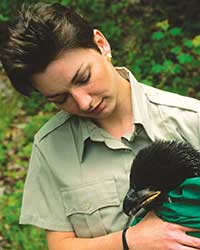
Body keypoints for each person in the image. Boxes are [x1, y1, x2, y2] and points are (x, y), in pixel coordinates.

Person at [1, 2, 200, 250]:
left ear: (101, 44)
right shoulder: (50, 147)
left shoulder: (192, 119)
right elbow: (60, 245)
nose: (83, 102)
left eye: (83, 78)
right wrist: (130, 241)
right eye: (60, 99)